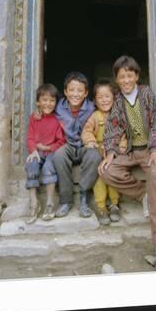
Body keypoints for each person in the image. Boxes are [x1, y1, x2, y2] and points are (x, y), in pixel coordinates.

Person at [99, 55, 156, 272]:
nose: (125, 80)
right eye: (121, 77)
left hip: (149, 150)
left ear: (136, 76)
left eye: (129, 75)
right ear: (117, 79)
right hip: (131, 151)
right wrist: (111, 152)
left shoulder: (147, 94)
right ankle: (143, 194)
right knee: (107, 171)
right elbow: (113, 129)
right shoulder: (118, 101)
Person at [52, 71, 102, 218]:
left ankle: (84, 197)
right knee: (59, 156)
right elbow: (45, 111)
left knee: (94, 156)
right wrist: (38, 114)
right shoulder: (58, 107)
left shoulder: (92, 108)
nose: (76, 94)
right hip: (67, 145)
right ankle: (65, 201)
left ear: (86, 93)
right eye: (72, 90)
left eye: (80, 90)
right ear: (65, 92)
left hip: (85, 145)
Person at [81, 79, 126, 225]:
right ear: (95, 100)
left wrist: (121, 148)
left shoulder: (119, 116)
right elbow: (86, 132)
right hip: (100, 152)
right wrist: (91, 142)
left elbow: (125, 135)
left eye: (107, 96)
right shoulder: (95, 116)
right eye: (100, 97)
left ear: (114, 98)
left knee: (112, 173)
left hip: (114, 154)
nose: (104, 100)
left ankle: (114, 204)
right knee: (99, 175)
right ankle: (101, 207)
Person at [25, 83, 66, 223]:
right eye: (44, 100)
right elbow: (30, 137)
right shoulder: (34, 118)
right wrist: (34, 150)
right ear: (38, 102)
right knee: (31, 164)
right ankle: (34, 203)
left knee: (49, 167)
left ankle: (50, 203)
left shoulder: (57, 119)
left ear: (56, 103)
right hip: (38, 151)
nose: (48, 103)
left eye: (52, 100)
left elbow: (61, 141)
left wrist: (48, 148)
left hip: (51, 152)